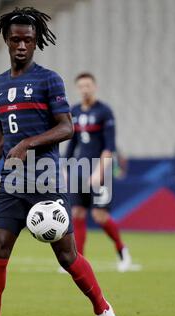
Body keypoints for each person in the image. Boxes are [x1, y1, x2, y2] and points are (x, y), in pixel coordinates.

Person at [0, 7, 122, 316]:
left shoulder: (48, 79)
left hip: (45, 178)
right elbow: (2, 135)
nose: (21, 45)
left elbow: (66, 127)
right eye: (15, 39)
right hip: (12, 179)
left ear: (36, 41)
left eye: (27, 39)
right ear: (6, 41)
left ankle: (102, 309)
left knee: (66, 256)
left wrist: (27, 144)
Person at [65, 73, 132, 272]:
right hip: (79, 168)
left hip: (99, 168)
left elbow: (109, 146)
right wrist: (66, 167)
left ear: (95, 87)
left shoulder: (105, 112)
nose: (85, 89)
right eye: (81, 86)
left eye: (88, 85)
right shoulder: (74, 111)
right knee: (77, 212)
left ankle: (122, 250)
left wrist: (99, 172)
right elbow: (73, 142)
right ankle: (79, 260)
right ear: (78, 89)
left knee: (100, 215)